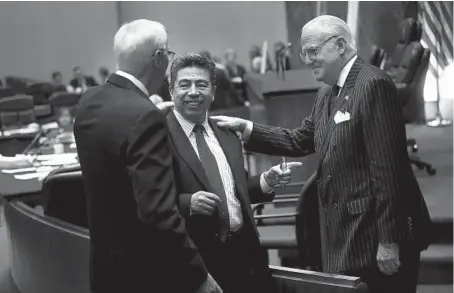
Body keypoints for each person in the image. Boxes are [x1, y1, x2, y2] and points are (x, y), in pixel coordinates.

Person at [212, 15, 432, 293]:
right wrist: (248, 130)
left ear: (339, 45)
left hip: (377, 236)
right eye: (304, 53)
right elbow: (299, 140)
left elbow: (388, 169)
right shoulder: (327, 91)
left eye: (312, 51)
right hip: (348, 236)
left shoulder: (373, 84)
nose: (307, 59)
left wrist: (389, 240)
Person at [74, 20, 221, 293]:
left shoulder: (90, 101)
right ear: (158, 57)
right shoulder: (145, 117)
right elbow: (158, 213)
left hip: (105, 268)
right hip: (147, 273)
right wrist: (198, 275)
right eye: (168, 53)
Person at [165, 53, 301, 293]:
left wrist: (265, 181)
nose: (194, 91)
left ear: (213, 91)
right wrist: (187, 203)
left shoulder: (226, 132)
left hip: (245, 255)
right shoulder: (159, 136)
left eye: (202, 84)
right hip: (197, 262)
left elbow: (232, 191)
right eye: (185, 84)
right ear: (171, 91)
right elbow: (147, 200)